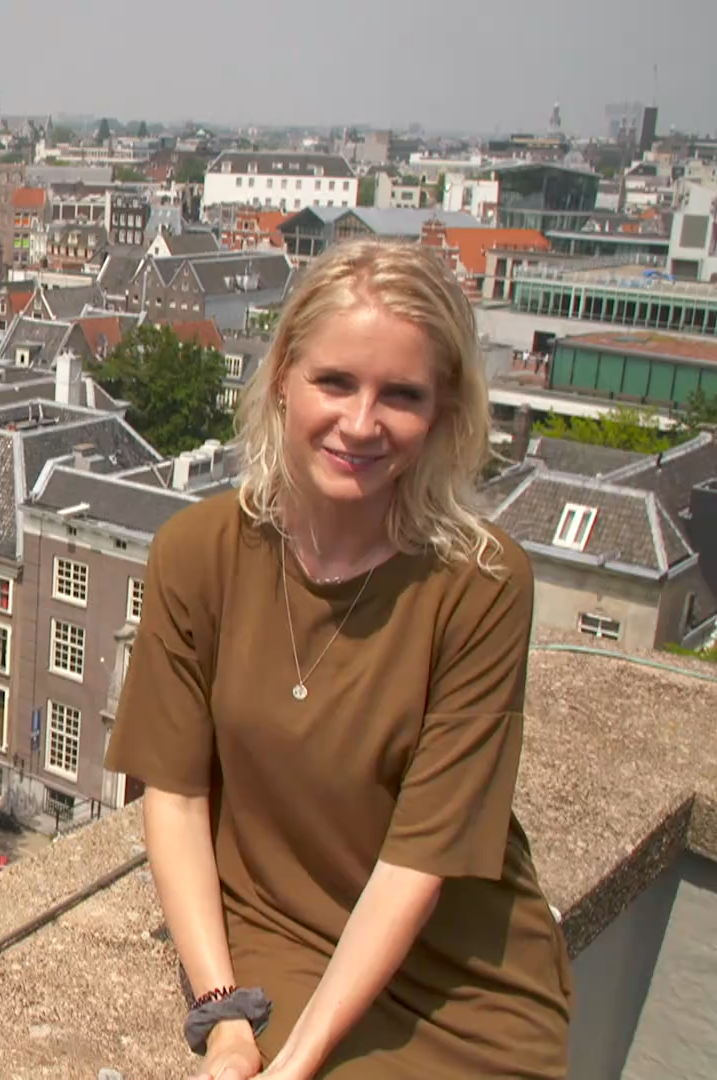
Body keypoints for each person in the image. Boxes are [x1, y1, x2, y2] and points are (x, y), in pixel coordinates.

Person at [105, 239, 571, 1078]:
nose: (361, 424)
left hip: (458, 975)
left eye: (401, 394)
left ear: (443, 412)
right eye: (335, 382)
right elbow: (173, 798)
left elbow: (420, 858)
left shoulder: (483, 582)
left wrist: (297, 1064)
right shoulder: (196, 554)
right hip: (274, 932)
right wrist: (224, 1016)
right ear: (282, 376)